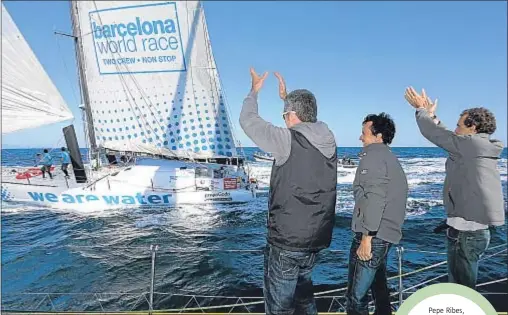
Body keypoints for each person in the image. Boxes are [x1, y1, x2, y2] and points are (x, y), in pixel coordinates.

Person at [239, 68, 337, 315]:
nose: (283, 120)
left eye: (285, 115)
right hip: (315, 240)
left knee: (279, 307)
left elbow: (248, 120)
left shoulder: (287, 140)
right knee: (304, 299)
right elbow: (304, 123)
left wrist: (254, 90)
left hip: (287, 242)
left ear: (292, 115)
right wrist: (287, 98)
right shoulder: (329, 138)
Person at [404, 87, 505, 289]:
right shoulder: (477, 146)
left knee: (463, 291)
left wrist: (421, 110)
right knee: (458, 289)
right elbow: (447, 133)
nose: (456, 129)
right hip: (465, 230)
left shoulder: (471, 146)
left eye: (459, 126)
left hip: (467, 234)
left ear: (473, 128)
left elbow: (435, 133)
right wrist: (432, 115)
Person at [346, 113, 408, 315]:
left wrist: (367, 237)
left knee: (356, 297)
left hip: (374, 235)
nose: (360, 138)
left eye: (364, 133)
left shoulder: (372, 157)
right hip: (385, 234)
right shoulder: (389, 157)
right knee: (379, 289)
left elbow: (375, 198)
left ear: (378, 135)